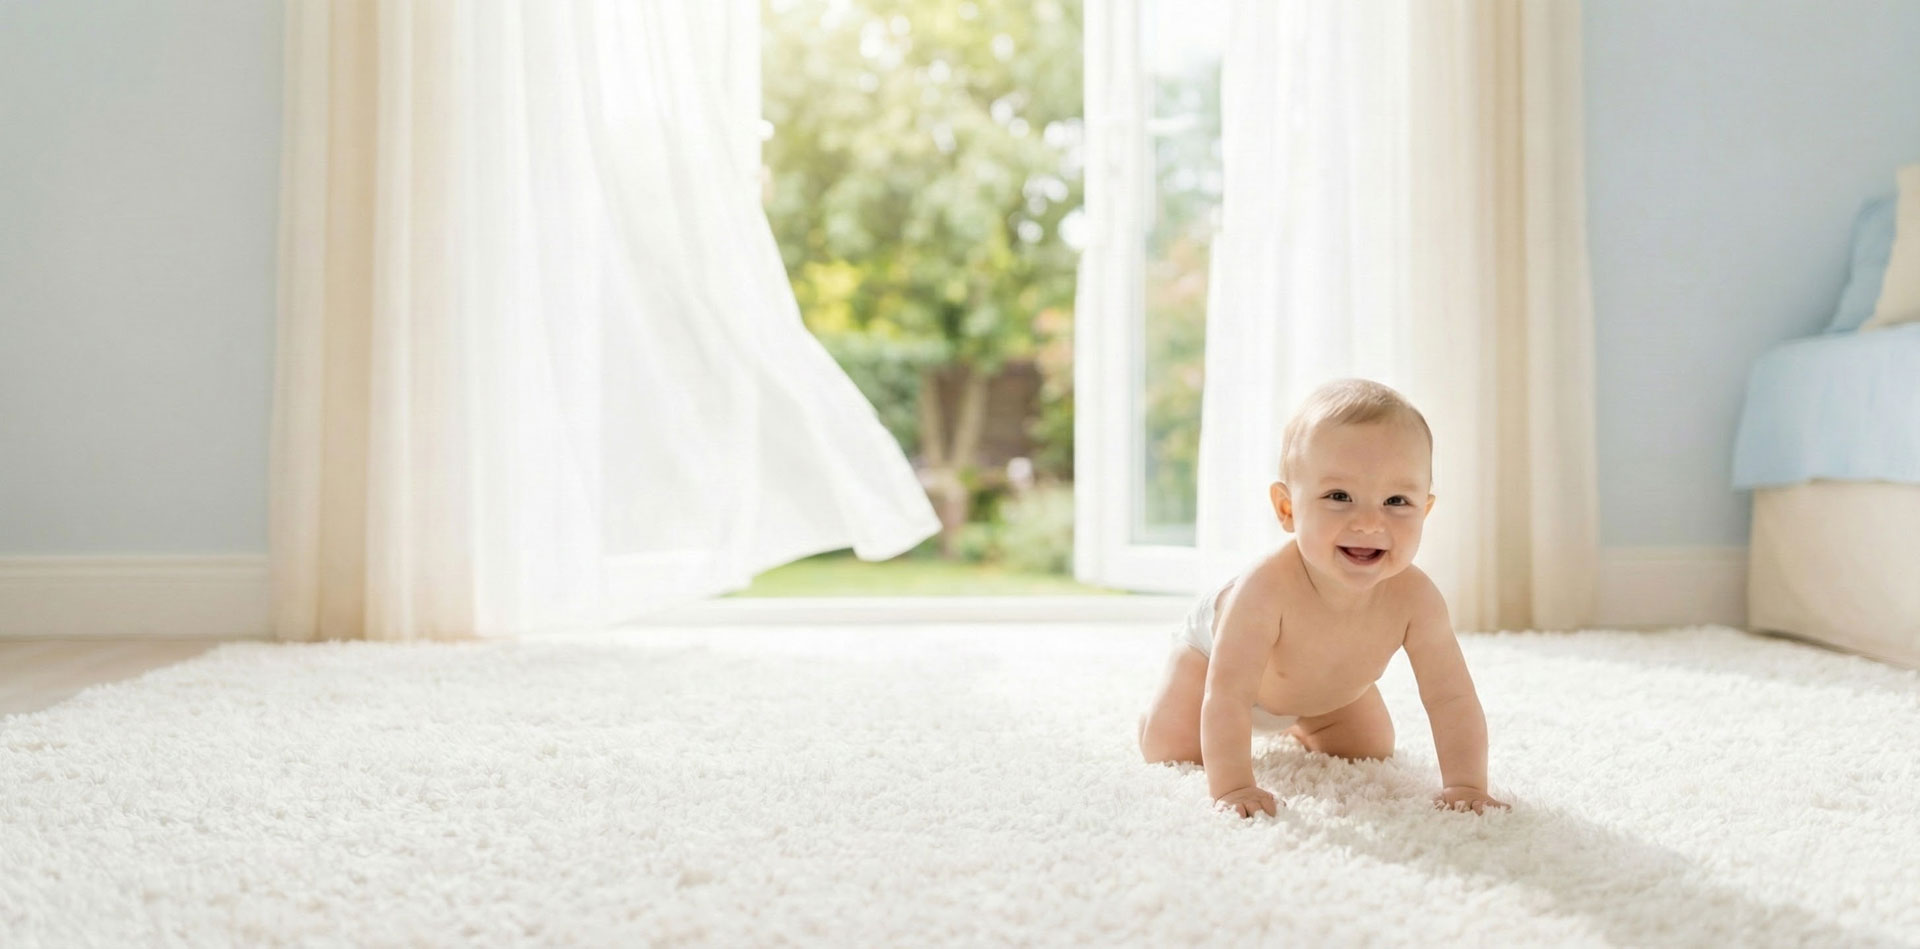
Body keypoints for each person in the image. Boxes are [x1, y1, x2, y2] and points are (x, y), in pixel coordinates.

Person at [1137, 378, 1508, 817]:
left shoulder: (1417, 598)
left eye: (1395, 500)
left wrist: (1466, 784)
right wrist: (1234, 788)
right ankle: (1153, 717)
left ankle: (1302, 722)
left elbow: (1451, 698)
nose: (1370, 522)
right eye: (1339, 496)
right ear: (1287, 509)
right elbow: (1229, 694)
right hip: (1214, 668)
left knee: (1369, 748)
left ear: (1424, 510)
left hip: (1323, 689)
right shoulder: (1263, 589)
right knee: (1171, 747)